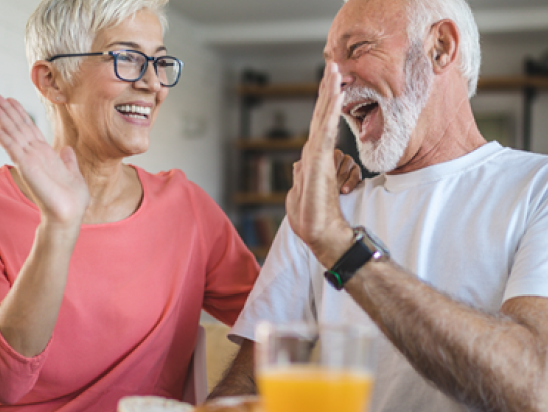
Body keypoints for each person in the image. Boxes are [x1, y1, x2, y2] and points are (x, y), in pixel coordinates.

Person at [0, 0, 361, 411]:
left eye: (159, 63)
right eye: (127, 59)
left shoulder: (186, 208)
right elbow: (2, 383)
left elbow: (286, 320)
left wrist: (319, 222)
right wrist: (58, 228)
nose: (153, 84)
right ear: (52, 81)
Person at [210, 0, 548, 411]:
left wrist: (340, 248)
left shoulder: (537, 188)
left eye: (357, 49)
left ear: (440, 47)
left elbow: (535, 384)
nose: (335, 82)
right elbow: (251, 383)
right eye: (329, 66)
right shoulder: (325, 207)